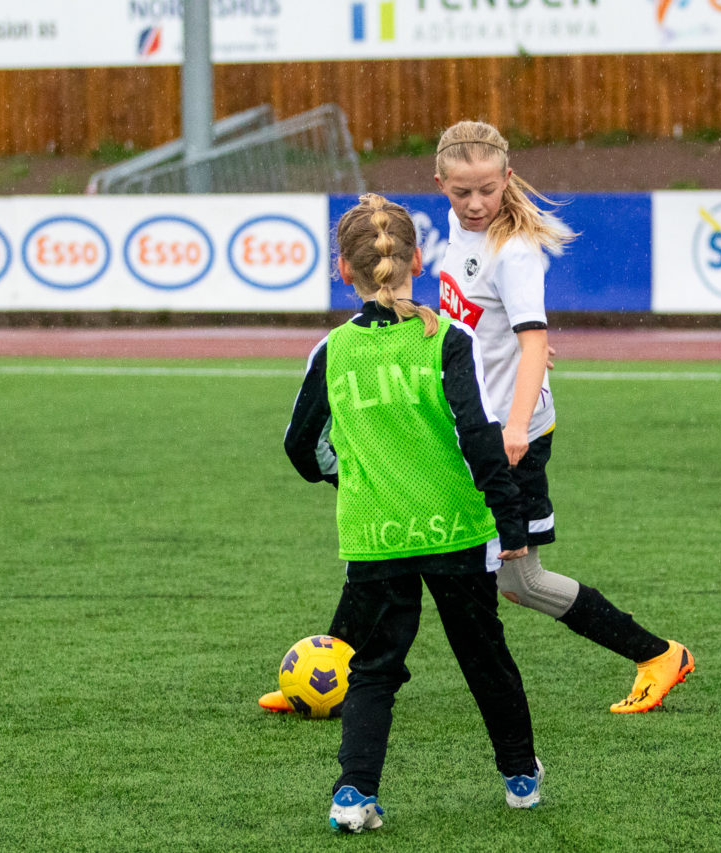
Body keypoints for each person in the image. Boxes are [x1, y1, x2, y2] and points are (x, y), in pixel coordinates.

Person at [284, 193, 545, 829]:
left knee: (373, 669)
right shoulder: (446, 337)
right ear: (419, 260)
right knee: (484, 656)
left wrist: (346, 476)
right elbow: (479, 436)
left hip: (374, 534)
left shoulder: (333, 351)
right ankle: (519, 778)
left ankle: (353, 795)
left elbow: (299, 444)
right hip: (454, 526)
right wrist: (510, 523)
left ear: (342, 270)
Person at [433, 119, 694, 714]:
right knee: (428, 549)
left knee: (518, 581)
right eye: (461, 192)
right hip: (475, 431)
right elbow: (486, 323)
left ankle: (658, 654)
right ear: (441, 185)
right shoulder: (459, 226)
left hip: (510, 437)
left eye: (487, 191)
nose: (475, 205)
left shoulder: (514, 252)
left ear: (507, 178)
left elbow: (530, 340)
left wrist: (517, 424)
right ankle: (345, 669)